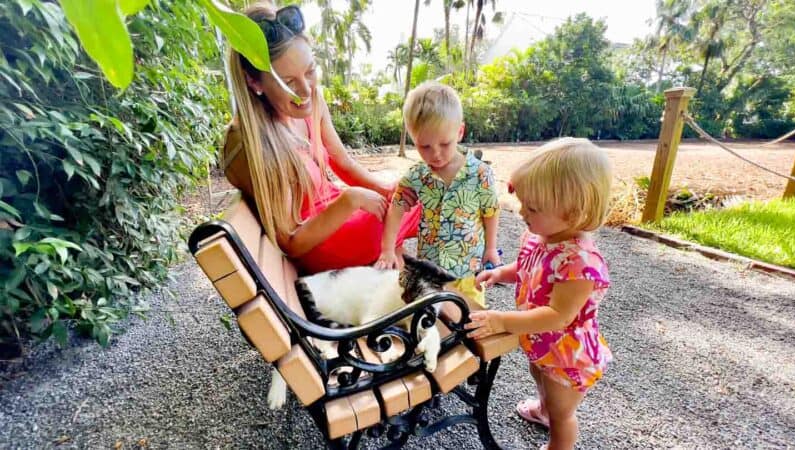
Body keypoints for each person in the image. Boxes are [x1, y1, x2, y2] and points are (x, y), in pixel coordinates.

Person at [220, 2, 420, 274]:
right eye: (288, 83)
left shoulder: (311, 102)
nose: (306, 89)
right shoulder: (248, 145)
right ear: (254, 83)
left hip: (338, 212)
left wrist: (386, 191)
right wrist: (350, 201)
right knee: (421, 198)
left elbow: (344, 164)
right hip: (318, 243)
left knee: (417, 188)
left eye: (310, 71)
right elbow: (291, 242)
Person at [465, 138, 613, 450]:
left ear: (574, 213)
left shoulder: (580, 263)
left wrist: (502, 320)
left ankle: (557, 438)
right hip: (542, 344)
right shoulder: (541, 235)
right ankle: (543, 409)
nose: (521, 212)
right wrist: (502, 272)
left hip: (568, 354)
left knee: (564, 413)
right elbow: (528, 264)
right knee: (538, 373)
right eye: (523, 203)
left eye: (532, 207)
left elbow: (558, 316)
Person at [374, 81, 501, 278]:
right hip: (429, 268)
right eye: (424, 146)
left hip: (469, 268)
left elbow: (491, 211)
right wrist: (388, 249)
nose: (436, 154)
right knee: (432, 307)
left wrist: (491, 248)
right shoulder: (417, 175)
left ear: (459, 132)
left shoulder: (480, 173)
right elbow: (396, 206)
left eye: (444, 143)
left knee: (469, 308)